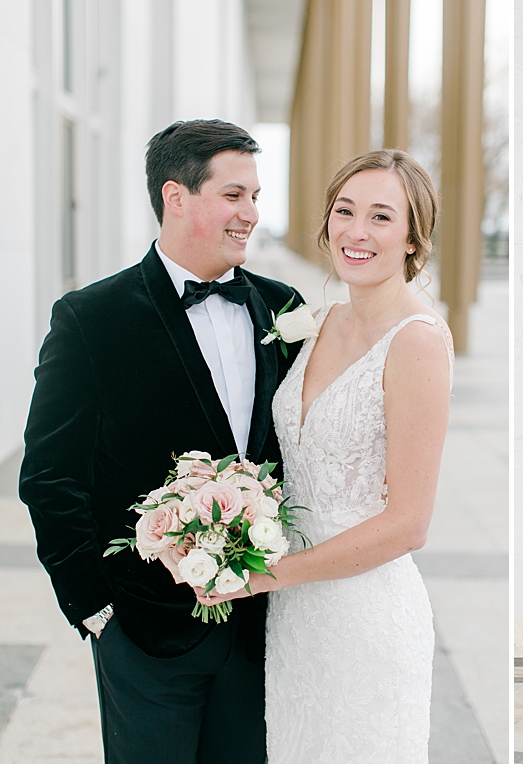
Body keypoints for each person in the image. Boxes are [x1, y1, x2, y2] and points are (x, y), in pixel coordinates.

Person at [19, 119, 304, 763]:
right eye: (234, 195)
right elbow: (49, 476)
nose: (251, 214)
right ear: (176, 197)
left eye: (255, 197)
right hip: (143, 633)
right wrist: (95, 611)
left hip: (261, 632)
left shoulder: (282, 310)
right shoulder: (91, 318)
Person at [196, 149, 453, 763]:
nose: (356, 231)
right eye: (345, 210)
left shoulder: (417, 341)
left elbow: (408, 524)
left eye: (382, 217)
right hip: (297, 620)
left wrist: (257, 578)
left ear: (413, 238)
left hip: (365, 616)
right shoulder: (318, 321)